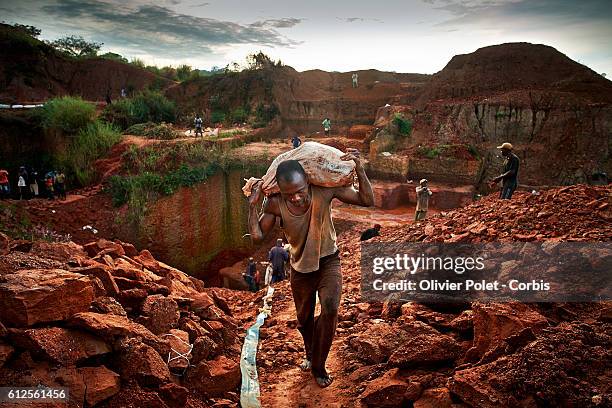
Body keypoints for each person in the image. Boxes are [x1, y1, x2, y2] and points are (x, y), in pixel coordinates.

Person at [247, 148, 374, 388]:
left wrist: (360, 169)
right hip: (300, 269)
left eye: (300, 191)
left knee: (330, 309)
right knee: (304, 321)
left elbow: (368, 200)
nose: (296, 198)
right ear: (281, 193)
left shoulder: (323, 192)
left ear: (308, 181)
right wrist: (252, 207)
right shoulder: (275, 204)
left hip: (329, 260)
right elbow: (257, 236)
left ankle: (318, 365)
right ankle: (309, 351)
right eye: (289, 194)